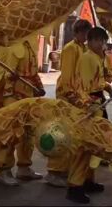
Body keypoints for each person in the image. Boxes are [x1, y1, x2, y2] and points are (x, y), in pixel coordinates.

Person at [63, 27, 112, 203]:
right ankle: (75, 186)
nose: (102, 44)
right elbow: (84, 87)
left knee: (93, 145)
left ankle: (88, 180)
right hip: (89, 105)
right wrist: (89, 106)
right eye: (99, 41)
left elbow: (99, 81)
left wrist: (109, 89)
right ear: (91, 41)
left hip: (97, 102)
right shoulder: (87, 58)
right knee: (83, 146)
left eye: (103, 41)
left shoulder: (97, 57)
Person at [45, 19, 93, 188]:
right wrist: (71, 95)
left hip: (78, 96)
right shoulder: (70, 49)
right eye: (85, 33)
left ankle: (65, 170)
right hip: (67, 95)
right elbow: (67, 75)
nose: (86, 37)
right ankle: (53, 172)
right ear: (77, 32)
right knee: (62, 133)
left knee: (73, 133)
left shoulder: (84, 48)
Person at [0, 40, 46, 186]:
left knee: (28, 133)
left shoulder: (30, 47)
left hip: (29, 95)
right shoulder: (12, 47)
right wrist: (12, 75)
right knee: (11, 133)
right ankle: (5, 170)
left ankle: (24, 168)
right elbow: (5, 73)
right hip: (14, 96)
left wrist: (40, 86)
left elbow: (34, 72)